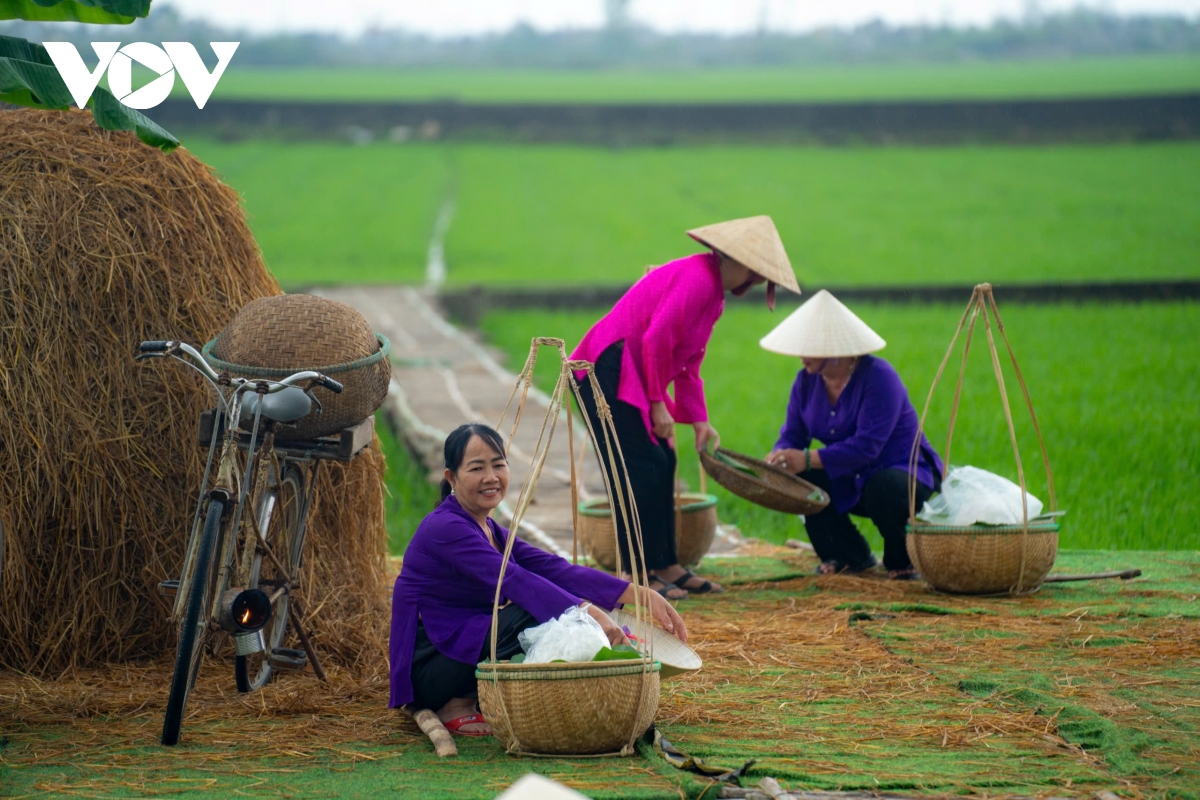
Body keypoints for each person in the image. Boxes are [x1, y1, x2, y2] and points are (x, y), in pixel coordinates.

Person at [389, 423, 686, 737]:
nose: (490, 477)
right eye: (477, 468)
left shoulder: (488, 527)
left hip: (453, 651)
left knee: (550, 606)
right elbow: (514, 580)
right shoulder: (446, 528)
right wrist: (589, 614)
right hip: (428, 668)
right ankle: (455, 702)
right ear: (451, 478)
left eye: (498, 465)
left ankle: (470, 694)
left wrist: (637, 594)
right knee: (530, 613)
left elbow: (553, 568)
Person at [572, 216, 800, 599]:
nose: (758, 280)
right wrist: (660, 404)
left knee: (663, 461)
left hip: (635, 370)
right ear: (736, 261)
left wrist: (699, 421)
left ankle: (667, 564)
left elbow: (689, 363)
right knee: (636, 468)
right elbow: (657, 340)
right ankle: (637, 573)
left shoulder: (714, 296)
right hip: (605, 368)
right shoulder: (698, 278)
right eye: (757, 271)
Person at [759, 290, 944, 581]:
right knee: (803, 482)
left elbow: (866, 447)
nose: (800, 356)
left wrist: (806, 458)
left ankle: (903, 559)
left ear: (834, 349)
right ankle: (847, 555)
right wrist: (781, 456)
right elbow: (793, 434)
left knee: (884, 487)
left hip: (899, 475)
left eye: (809, 348)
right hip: (850, 476)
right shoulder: (805, 382)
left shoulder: (879, 377)